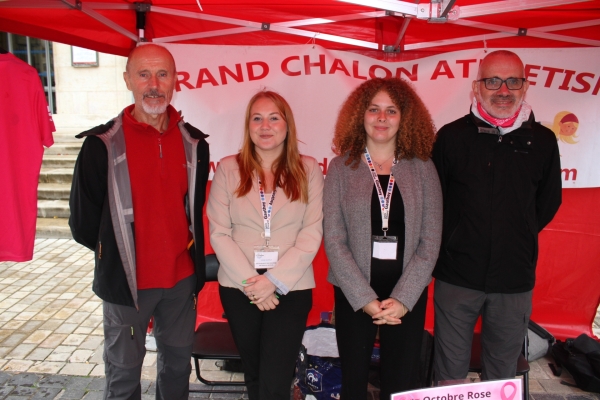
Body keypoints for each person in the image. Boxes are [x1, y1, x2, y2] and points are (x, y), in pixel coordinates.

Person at [69, 44, 210, 400]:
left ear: (176, 80)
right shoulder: (101, 145)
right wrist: (120, 254)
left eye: (163, 74)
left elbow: (192, 209)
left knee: (178, 366)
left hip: (181, 281)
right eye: (144, 74)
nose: (153, 84)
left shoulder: (194, 142)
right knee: (123, 374)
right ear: (128, 79)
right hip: (125, 283)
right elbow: (83, 224)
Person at [431, 50, 562, 381]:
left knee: (502, 375)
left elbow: (547, 203)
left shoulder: (543, 141)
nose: (503, 90)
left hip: (513, 279)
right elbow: (435, 201)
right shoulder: (450, 137)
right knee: (449, 373)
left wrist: (514, 234)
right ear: (476, 88)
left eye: (512, 81)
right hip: (456, 277)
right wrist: (458, 239)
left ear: (525, 86)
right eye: (492, 81)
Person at [324, 78, 442, 399]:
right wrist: (364, 299)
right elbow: (334, 239)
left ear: (405, 118)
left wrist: (403, 299)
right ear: (360, 115)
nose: (381, 118)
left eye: (391, 110)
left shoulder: (423, 168)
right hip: (354, 293)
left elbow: (430, 240)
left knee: (401, 384)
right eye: (374, 109)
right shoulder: (340, 168)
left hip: (408, 294)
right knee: (353, 382)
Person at [207, 90, 324, 400]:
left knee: (276, 376)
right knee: (255, 373)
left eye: (274, 117)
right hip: (239, 286)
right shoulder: (228, 169)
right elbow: (219, 232)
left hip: (291, 285)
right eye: (257, 118)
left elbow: (312, 231)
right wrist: (252, 284)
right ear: (248, 126)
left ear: (287, 125)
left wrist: (272, 281)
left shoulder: (309, 170)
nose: (265, 126)